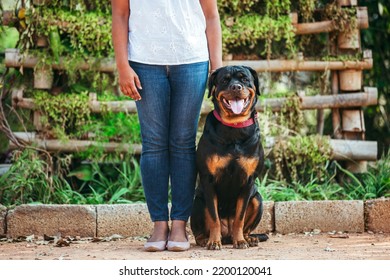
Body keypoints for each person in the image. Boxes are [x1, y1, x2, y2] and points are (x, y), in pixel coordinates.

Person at [111, 0, 222, 251]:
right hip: (143, 61)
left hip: (192, 60)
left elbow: (211, 16)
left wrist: (217, 69)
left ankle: (180, 225)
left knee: (183, 143)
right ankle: (159, 224)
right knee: (153, 144)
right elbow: (119, 15)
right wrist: (122, 66)